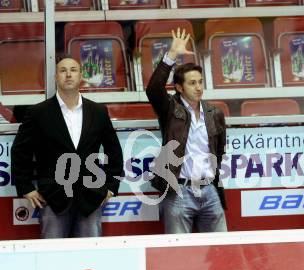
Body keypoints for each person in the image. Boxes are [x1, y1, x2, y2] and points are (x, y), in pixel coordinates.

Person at [11, 56, 123, 238]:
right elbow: (19, 152)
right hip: (52, 197)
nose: (68, 74)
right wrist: (25, 187)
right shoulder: (38, 113)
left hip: (91, 196)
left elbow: (114, 151)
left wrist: (111, 186)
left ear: (81, 77)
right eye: (63, 71)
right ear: (56, 77)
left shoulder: (98, 111)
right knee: (53, 257)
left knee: (90, 257)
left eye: (73, 70)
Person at [146, 28, 227, 234]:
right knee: (177, 254)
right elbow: (154, 89)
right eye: (192, 83)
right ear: (179, 88)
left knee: (221, 251)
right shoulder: (170, 109)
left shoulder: (214, 112)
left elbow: (219, 151)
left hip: (210, 188)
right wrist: (171, 55)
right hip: (179, 190)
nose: (198, 87)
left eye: (200, 82)